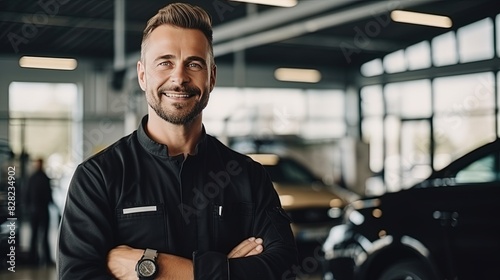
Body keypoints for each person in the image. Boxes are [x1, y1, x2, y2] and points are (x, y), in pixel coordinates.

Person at [58, 2, 298, 279]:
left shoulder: (249, 176)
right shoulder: (97, 177)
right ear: (142, 75)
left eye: (194, 64)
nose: (179, 78)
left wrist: (155, 269)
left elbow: (286, 268)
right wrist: (228, 270)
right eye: (165, 63)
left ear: (212, 77)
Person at [26, 158, 53, 266]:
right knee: (37, 235)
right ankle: (37, 259)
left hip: (39, 210)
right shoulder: (39, 178)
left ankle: (38, 259)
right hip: (38, 210)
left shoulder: (35, 178)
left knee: (40, 235)